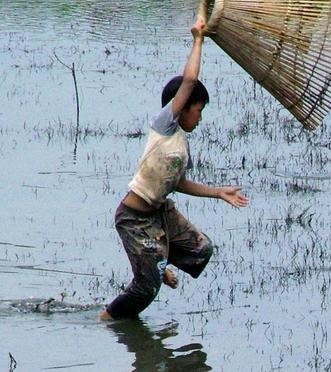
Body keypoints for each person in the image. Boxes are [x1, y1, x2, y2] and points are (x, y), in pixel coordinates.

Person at [100, 18, 249, 320]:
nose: (200, 118)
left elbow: (178, 183)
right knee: (145, 289)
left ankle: (158, 261)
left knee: (201, 250)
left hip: (160, 213)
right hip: (134, 218)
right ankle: (107, 319)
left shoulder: (180, 144)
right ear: (181, 107)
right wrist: (198, 39)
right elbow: (190, 81)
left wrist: (218, 192)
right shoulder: (164, 126)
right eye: (198, 110)